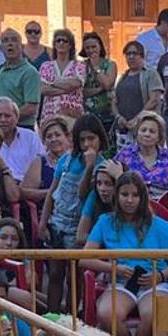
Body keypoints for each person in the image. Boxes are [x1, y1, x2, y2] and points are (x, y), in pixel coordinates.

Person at [82, 172, 168, 336]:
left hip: (155, 283)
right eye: (125, 195)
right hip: (122, 282)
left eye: (135, 195)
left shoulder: (159, 225)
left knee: (153, 314)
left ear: (142, 197)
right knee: (107, 314)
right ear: (117, 196)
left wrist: (161, 275)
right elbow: (84, 258)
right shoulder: (105, 221)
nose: (130, 200)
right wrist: (113, 269)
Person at [40, 114, 107, 309]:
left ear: (100, 138)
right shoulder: (66, 160)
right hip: (57, 223)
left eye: (91, 138)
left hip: (79, 225)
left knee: (74, 277)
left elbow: (82, 193)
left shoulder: (101, 165)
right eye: (82, 139)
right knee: (55, 273)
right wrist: (43, 222)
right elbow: (53, 192)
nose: (87, 144)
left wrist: (89, 167)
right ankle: (51, 318)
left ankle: (71, 320)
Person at [113, 41, 164, 150]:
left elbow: (154, 99)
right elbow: (114, 101)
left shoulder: (151, 74)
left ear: (142, 56)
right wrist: (118, 117)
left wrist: (138, 119)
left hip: (146, 129)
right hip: (124, 131)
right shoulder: (123, 77)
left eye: (134, 53)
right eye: (128, 54)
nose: (131, 57)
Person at [114, 111, 168, 199]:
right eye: (143, 130)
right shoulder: (124, 155)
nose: (147, 134)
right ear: (137, 133)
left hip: (163, 207)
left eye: (152, 131)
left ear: (159, 136)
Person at [0, 29, 40, 129]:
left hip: (21, 129)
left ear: (21, 46)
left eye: (14, 40)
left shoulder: (29, 72)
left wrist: (5, 118)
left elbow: (31, 108)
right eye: (5, 40)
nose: (10, 44)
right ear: (0, 48)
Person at [39, 29, 86, 125]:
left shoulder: (79, 66)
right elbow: (43, 89)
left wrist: (51, 83)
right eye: (58, 40)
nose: (61, 43)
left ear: (70, 45)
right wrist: (66, 88)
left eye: (65, 41)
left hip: (72, 115)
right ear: (54, 44)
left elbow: (76, 84)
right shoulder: (46, 66)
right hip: (49, 115)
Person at [20, 116, 70, 204]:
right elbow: (24, 192)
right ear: (44, 141)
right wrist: (49, 192)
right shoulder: (40, 162)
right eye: (49, 137)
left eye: (57, 135)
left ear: (67, 137)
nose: (53, 139)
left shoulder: (76, 159)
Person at [76, 160, 123, 246]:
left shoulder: (128, 200)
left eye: (108, 184)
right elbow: (80, 236)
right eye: (99, 183)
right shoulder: (94, 196)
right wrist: (108, 241)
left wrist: (120, 177)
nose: (102, 189)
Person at [81, 32, 117, 133]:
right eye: (87, 48)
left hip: (107, 112)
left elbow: (107, 84)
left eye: (94, 47)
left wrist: (96, 67)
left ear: (100, 47)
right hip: (87, 113)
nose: (91, 50)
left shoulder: (110, 64)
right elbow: (81, 92)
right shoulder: (81, 66)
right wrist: (100, 89)